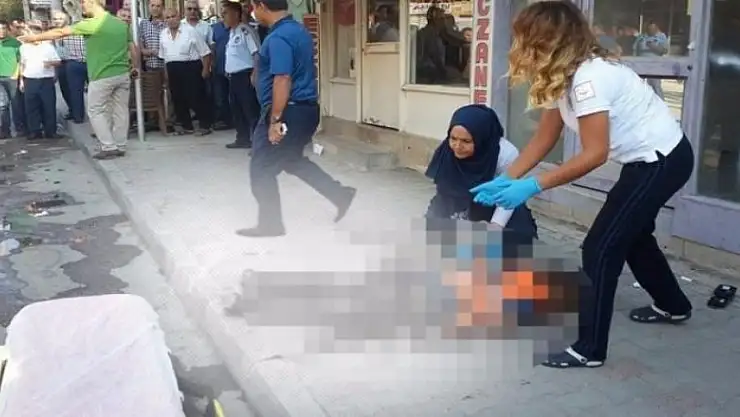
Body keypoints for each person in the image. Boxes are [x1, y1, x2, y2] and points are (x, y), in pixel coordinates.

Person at [470, 1, 694, 368]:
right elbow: (545, 138)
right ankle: (673, 304)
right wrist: (507, 178)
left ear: (548, 40)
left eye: (525, 37)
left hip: (662, 161)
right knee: (633, 234)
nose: (519, 46)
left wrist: (533, 186)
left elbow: (594, 154)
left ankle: (588, 349)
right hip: (648, 160)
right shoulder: (561, 75)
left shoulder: (590, 78)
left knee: (601, 247)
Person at [240, 0, 356, 237]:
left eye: (252, 6)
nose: (252, 12)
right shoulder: (298, 31)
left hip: (287, 112)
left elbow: (283, 78)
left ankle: (271, 224)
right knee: (291, 160)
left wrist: (275, 121)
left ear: (262, 6)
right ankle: (340, 194)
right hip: (304, 110)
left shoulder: (279, 37)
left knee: (261, 167)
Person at [20, 0, 139, 159]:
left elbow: (60, 32)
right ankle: (120, 145)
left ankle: (109, 146)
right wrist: (135, 67)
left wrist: (34, 38)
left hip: (101, 75)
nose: (81, 6)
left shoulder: (92, 24)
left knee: (95, 110)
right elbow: (133, 48)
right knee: (120, 111)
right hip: (122, 74)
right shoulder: (121, 24)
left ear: (92, 3)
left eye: (83, 2)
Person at [425, 104, 538, 240]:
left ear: (481, 138)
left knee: (516, 239)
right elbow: (445, 190)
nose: (457, 146)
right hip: (456, 202)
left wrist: (496, 225)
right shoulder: (446, 151)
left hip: (495, 201)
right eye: (453, 138)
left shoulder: (505, 153)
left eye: (466, 141)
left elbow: (509, 191)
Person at [159, 8, 212, 136]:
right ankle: (187, 126)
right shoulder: (163, 34)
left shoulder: (190, 31)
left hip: (190, 67)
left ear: (179, 16)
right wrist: (166, 74)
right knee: (178, 98)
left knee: (196, 97)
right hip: (172, 68)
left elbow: (205, 52)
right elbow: (163, 57)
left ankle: (205, 125)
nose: (171, 19)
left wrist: (205, 69)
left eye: (173, 16)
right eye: (167, 17)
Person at [221, 0, 260, 149]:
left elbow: (256, 53)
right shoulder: (232, 32)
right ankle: (242, 138)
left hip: (245, 75)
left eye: (225, 13)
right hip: (233, 77)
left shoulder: (245, 31)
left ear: (236, 14)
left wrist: (255, 73)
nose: (223, 17)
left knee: (250, 109)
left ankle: (258, 142)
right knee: (236, 109)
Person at [19, 24, 62, 140]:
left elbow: (58, 62)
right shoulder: (24, 48)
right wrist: (21, 81)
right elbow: (22, 63)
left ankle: (50, 131)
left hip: (45, 80)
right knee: (31, 107)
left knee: (49, 106)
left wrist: (50, 63)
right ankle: (35, 131)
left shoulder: (48, 47)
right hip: (30, 80)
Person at [53, 12, 88, 124]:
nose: (57, 21)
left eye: (60, 18)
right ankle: (74, 112)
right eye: (55, 19)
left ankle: (78, 115)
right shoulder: (56, 32)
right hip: (65, 63)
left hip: (74, 62)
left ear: (66, 19)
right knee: (68, 90)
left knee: (75, 91)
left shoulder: (67, 31)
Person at [0, 21, 24, 138]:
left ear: (8, 29)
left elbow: (21, 60)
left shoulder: (15, 43)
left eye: (3, 28)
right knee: (2, 105)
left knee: (16, 104)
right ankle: (5, 130)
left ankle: (20, 128)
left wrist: (16, 74)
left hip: (12, 77)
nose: (1, 31)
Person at [634, 22, 668, 99]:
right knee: (641, 85)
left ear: (656, 28)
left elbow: (664, 50)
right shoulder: (642, 37)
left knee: (655, 85)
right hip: (641, 65)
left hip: (654, 65)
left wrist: (653, 46)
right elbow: (635, 49)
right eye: (649, 28)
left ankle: (659, 102)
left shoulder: (661, 36)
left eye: (653, 28)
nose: (651, 30)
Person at [210, 14, 233, 130]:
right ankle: (224, 120)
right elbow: (212, 47)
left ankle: (237, 120)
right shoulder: (214, 28)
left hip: (235, 68)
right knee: (220, 96)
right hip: (219, 67)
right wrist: (212, 63)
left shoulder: (238, 28)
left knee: (235, 96)